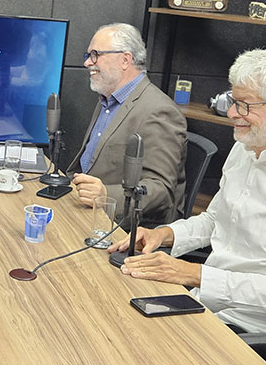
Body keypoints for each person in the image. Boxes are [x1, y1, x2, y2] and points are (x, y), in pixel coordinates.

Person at [107, 48, 266, 336]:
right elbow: (216, 220)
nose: (233, 113)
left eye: (245, 105)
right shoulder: (246, 147)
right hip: (205, 304)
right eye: (233, 101)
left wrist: (194, 274)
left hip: (253, 332)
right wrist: (164, 234)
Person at [66, 23, 186, 230]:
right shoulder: (107, 99)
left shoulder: (160, 111)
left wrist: (106, 196)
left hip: (123, 227)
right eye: (88, 55)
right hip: (85, 210)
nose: (87, 63)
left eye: (95, 55)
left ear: (125, 59)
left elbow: (161, 192)